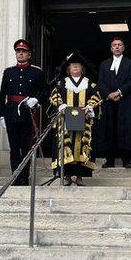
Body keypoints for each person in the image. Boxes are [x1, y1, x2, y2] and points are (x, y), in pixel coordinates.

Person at [0, 39, 46, 185]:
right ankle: (15, 176)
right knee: (14, 147)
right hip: (11, 112)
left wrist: (36, 99)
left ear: (29, 55)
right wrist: (1, 115)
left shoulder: (36, 72)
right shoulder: (9, 72)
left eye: (23, 52)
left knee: (25, 147)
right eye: (18, 51)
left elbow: (45, 90)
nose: (20, 54)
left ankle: (24, 177)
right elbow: (2, 94)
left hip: (26, 113)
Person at [50, 54, 101, 185]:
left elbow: (96, 97)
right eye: (73, 65)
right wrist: (61, 104)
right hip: (65, 121)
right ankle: (66, 175)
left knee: (81, 146)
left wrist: (90, 106)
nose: (75, 67)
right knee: (67, 146)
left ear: (82, 68)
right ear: (68, 68)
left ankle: (79, 176)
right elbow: (54, 95)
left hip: (84, 121)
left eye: (78, 66)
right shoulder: (62, 83)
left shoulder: (90, 83)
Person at [96, 37, 131, 169]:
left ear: (123, 48)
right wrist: (109, 94)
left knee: (125, 129)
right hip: (109, 102)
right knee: (109, 130)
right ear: (111, 48)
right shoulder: (104, 64)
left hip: (124, 101)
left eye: (120, 45)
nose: (117, 47)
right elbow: (100, 82)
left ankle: (126, 160)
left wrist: (119, 92)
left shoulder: (130, 63)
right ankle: (109, 160)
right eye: (114, 45)